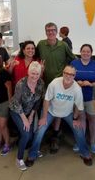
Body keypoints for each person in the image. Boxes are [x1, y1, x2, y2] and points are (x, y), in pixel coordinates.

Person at [24, 66, 93, 167]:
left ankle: (85, 154)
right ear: (63, 73)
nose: (68, 76)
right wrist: (43, 117)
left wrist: (75, 118)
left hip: (67, 113)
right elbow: (47, 100)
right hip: (51, 111)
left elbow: (79, 106)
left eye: (71, 74)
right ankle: (32, 155)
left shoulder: (77, 89)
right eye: (66, 73)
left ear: (74, 76)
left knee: (79, 130)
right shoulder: (55, 83)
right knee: (40, 130)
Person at [37, 22, 75, 153]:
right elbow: (34, 58)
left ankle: (55, 135)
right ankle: (44, 133)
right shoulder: (41, 44)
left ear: (57, 31)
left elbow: (73, 59)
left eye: (53, 30)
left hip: (60, 84)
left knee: (57, 109)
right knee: (46, 109)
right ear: (45, 32)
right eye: (48, 30)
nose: (50, 32)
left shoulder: (63, 45)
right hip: (44, 84)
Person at [9, 61, 45, 171]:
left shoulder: (41, 83)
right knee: (25, 133)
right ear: (28, 73)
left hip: (30, 111)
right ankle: (19, 158)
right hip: (17, 111)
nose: (35, 76)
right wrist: (25, 119)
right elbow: (16, 103)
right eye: (32, 73)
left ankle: (33, 150)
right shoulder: (21, 84)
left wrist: (31, 115)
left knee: (35, 131)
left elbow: (38, 101)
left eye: (37, 74)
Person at [71, 44, 95, 153]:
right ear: (80, 52)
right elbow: (68, 77)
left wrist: (91, 84)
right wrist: (76, 82)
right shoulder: (74, 64)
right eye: (83, 51)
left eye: (88, 51)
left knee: (92, 119)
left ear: (91, 53)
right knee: (81, 119)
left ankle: (92, 142)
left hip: (92, 97)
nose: (85, 53)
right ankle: (81, 141)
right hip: (78, 98)